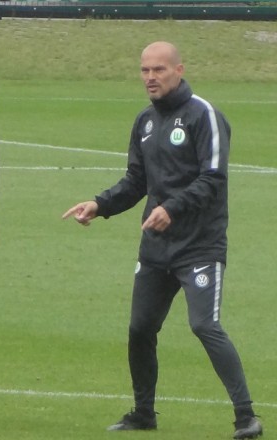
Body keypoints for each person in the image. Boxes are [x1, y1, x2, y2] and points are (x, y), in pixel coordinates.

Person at [62, 41, 263, 440]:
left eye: (158, 70)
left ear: (178, 70)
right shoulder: (145, 122)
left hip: (199, 245)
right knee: (140, 328)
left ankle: (246, 418)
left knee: (205, 325)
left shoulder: (204, 116)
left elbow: (214, 178)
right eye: (144, 71)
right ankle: (143, 413)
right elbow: (136, 181)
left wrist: (172, 208)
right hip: (156, 247)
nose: (150, 77)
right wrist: (99, 205)